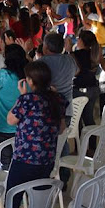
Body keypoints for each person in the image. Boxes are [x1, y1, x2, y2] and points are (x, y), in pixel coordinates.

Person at [6, 61, 67, 208]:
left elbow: (10, 120)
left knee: (12, 198)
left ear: (30, 81)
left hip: (24, 159)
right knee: (39, 201)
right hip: (47, 159)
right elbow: (61, 129)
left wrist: (21, 96)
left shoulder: (27, 100)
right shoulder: (58, 99)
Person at [37, 32, 78, 189]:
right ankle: (64, 177)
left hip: (48, 110)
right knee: (62, 142)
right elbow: (76, 72)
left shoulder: (43, 62)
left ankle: (46, 177)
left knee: (46, 144)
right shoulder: (69, 60)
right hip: (66, 109)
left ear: (46, 47)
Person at [71, 30, 100, 136]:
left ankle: (80, 143)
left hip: (79, 89)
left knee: (78, 119)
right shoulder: (95, 54)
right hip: (93, 88)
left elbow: (76, 71)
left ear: (81, 41)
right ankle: (91, 144)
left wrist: (69, 51)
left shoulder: (76, 55)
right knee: (89, 119)